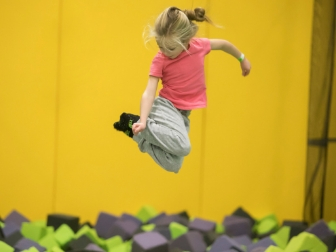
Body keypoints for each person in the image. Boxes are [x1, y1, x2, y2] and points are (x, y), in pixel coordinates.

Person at [114, 6, 251, 173]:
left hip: (183, 114)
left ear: (186, 40)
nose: (164, 51)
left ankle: (136, 134)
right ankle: (140, 125)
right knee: (184, 147)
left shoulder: (199, 46)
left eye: (170, 48)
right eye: (160, 45)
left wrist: (242, 59)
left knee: (174, 164)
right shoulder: (160, 59)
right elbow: (149, 92)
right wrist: (143, 120)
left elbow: (223, 44)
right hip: (166, 107)